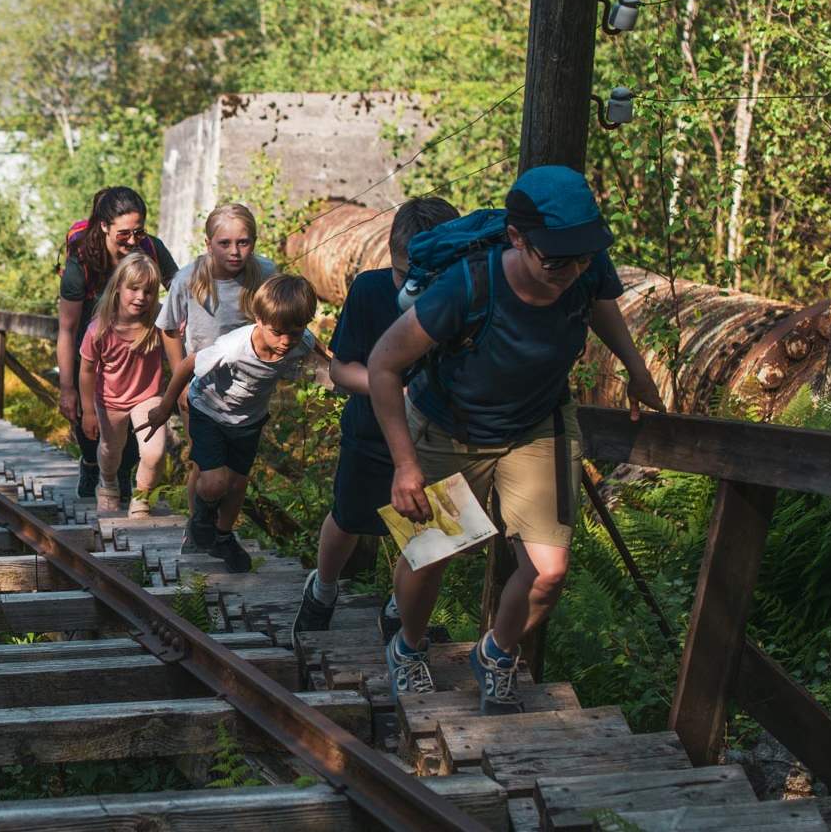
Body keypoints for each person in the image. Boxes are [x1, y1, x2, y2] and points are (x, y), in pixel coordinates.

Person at [365, 165, 665, 714]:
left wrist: (636, 368)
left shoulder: (582, 263)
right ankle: (407, 647)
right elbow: (384, 365)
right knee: (430, 556)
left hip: (538, 425)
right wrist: (405, 465)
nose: (569, 272)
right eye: (555, 260)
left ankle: (497, 654)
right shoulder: (468, 286)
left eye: (579, 259)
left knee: (549, 571)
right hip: (449, 429)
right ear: (517, 239)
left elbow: (600, 302)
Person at [296, 196, 460, 640]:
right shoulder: (370, 290)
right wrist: (390, 387)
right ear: (393, 256)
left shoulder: (464, 294)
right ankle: (323, 589)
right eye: (408, 276)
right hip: (371, 433)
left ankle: (401, 612)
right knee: (348, 518)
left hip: (438, 438)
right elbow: (340, 367)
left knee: (431, 536)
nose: (418, 287)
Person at [145, 273, 321, 573]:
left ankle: (223, 537)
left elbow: (323, 355)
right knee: (215, 482)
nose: (285, 341)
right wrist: (164, 407)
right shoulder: (233, 347)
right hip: (209, 412)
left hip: (249, 420)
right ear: (258, 319)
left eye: (294, 332)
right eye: (277, 332)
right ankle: (201, 518)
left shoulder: (301, 341)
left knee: (238, 483)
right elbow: (188, 364)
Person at [58, 187, 179, 504]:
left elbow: (180, 294)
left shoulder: (151, 249)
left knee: (129, 440)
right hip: (92, 346)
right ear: (104, 226)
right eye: (124, 233)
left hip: (136, 353)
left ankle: (119, 481)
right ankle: (91, 465)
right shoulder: (81, 263)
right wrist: (67, 388)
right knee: (92, 428)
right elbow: (68, 329)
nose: (133, 240)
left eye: (139, 232)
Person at [158, 203, 275, 521]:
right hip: (201, 389)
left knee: (237, 478)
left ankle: (222, 535)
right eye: (225, 244)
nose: (235, 252)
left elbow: (284, 322)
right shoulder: (188, 280)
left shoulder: (265, 274)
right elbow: (168, 329)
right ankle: (199, 528)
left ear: (254, 241)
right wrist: (178, 380)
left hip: (248, 392)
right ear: (208, 244)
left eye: (244, 242)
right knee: (207, 470)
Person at [78, 254, 169, 515]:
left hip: (148, 396)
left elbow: (182, 332)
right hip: (110, 399)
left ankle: (141, 497)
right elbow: (86, 370)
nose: (141, 297)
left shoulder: (158, 322)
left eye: (149, 291)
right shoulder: (100, 328)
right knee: (110, 449)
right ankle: (107, 484)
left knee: (154, 453)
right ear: (118, 286)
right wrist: (88, 411)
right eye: (134, 288)